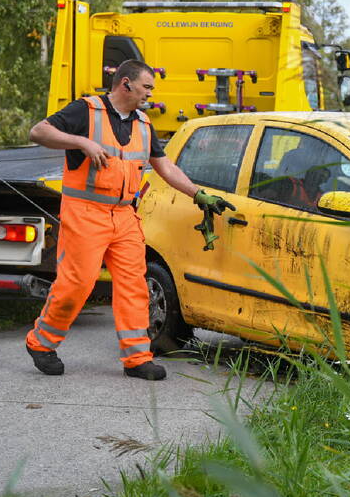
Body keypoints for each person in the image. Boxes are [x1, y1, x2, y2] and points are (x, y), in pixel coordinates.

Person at [24, 59, 231, 380]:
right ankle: (41, 341)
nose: (150, 93)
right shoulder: (86, 111)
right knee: (77, 284)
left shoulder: (144, 124)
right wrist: (81, 141)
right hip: (85, 213)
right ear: (126, 84)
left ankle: (137, 358)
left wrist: (198, 193)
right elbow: (38, 131)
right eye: (147, 87)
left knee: (135, 286)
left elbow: (165, 167)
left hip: (123, 216)